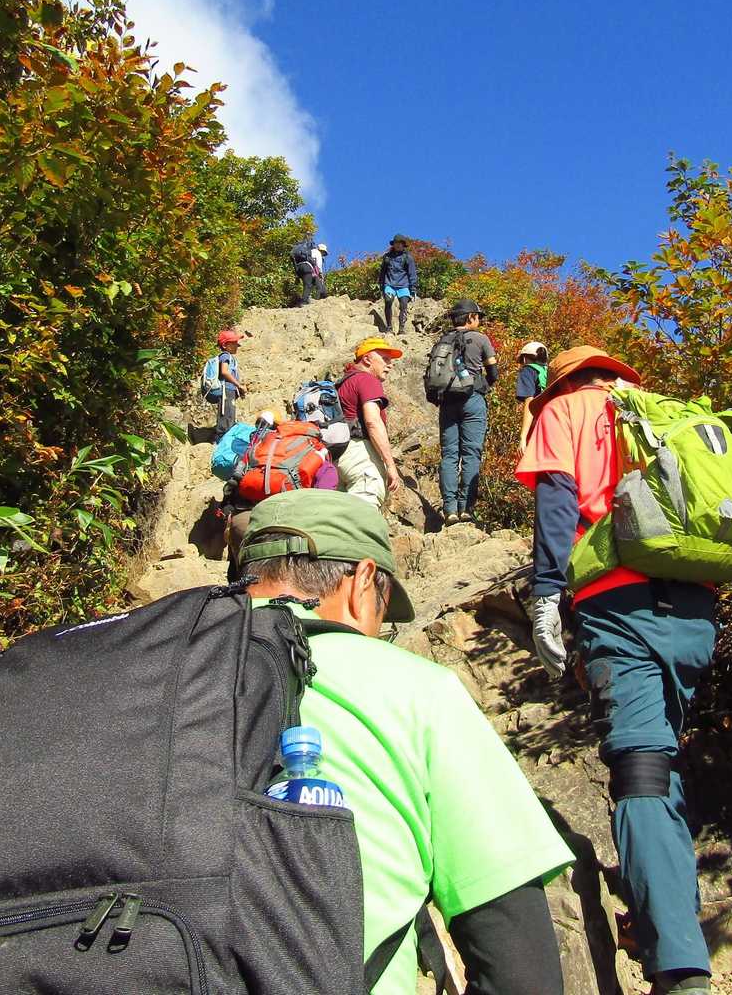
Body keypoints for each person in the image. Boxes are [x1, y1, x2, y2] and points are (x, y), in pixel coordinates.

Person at [514, 345, 732, 995]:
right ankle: (666, 913)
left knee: (639, 770)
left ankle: (680, 969)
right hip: (695, 613)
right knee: (659, 758)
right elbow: (729, 514)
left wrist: (546, 596)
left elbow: (558, 503)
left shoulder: (565, 411)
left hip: (619, 608)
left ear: (561, 382)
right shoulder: (671, 417)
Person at [238, 490, 574, 995]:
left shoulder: (156, 678)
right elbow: (522, 971)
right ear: (363, 581)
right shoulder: (419, 690)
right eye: (383, 610)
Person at [436, 298, 498, 525]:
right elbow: (493, 373)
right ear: (471, 317)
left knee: (449, 455)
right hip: (472, 399)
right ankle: (466, 509)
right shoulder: (481, 339)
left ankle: (449, 510)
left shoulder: (443, 340)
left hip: (447, 401)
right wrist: (482, 385)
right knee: (471, 453)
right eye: (478, 316)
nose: (479, 320)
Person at [335, 336, 403, 507]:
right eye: (385, 359)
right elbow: (373, 422)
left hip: (337, 456)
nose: (390, 364)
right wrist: (390, 465)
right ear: (367, 359)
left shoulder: (343, 383)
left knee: (342, 513)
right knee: (365, 509)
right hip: (360, 454)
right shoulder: (367, 379)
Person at [377, 234, 418, 335]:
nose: (398, 245)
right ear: (393, 244)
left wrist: (413, 288)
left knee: (404, 305)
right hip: (389, 284)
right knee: (388, 301)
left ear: (403, 245)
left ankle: (401, 329)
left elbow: (412, 273)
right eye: (396, 243)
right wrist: (381, 285)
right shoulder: (387, 257)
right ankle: (389, 328)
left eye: (400, 243)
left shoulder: (408, 258)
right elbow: (382, 272)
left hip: (404, 285)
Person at [213, 328, 247, 439]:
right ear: (225, 345)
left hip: (229, 390)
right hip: (226, 390)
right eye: (234, 343)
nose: (237, 345)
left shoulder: (228, 357)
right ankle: (221, 439)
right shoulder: (225, 356)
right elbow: (224, 372)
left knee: (229, 415)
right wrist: (238, 385)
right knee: (226, 416)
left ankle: (225, 437)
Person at [515, 341, 548, 451]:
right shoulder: (550, 372)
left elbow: (530, 400)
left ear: (524, 359)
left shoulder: (528, 370)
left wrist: (523, 437)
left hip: (538, 424)